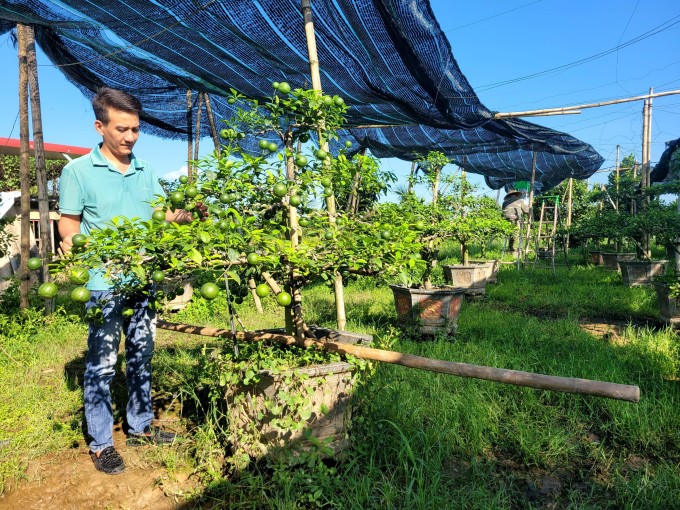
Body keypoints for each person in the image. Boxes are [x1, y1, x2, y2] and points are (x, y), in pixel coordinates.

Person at [58, 87, 202, 475]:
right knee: (103, 364)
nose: (130, 137)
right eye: (122, 129)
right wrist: (73, 249)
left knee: (142, 355)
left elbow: (163, 214)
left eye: (136, 129)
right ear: (99, 126)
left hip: (144, 277)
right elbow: (69, 226)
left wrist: (190, 213)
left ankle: (140, 427)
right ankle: (102, 443)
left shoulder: (146, 170)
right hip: (104, 281)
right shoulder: (77, 172)